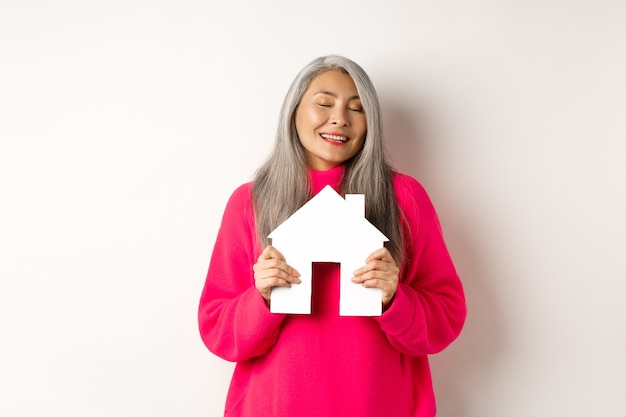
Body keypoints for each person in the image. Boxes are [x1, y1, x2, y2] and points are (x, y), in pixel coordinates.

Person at [198, 55, 466, 417]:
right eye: (324, 103)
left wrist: (394, 298)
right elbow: (217, 329)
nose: (340, 118)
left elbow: (446, 317)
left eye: (357, 109)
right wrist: (259, 298)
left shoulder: (403, 198)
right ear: (294, 111)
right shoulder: (250, 201)